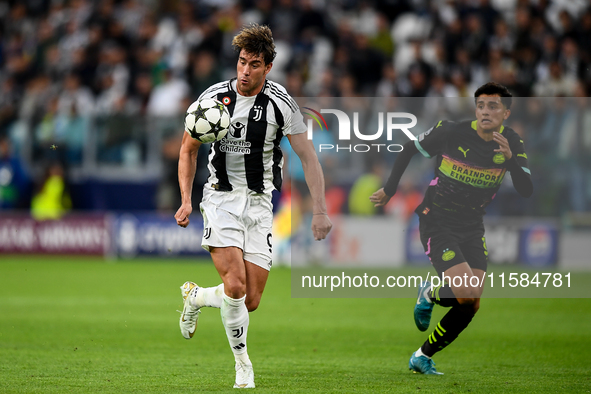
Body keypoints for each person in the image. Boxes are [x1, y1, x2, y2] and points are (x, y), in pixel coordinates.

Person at [174, 24, 332, 389]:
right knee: (235, 284)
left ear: (268, 67)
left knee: (252, 300)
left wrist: (320, 209)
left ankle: (195, 296)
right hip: (221, 198)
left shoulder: (282, 104)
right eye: (242, 62)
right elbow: (188, 149)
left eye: (254, 64)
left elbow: (308, 157)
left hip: (261, 205)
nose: (245, 71)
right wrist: (186, 199)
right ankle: (243, 366)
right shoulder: (212, 100)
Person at [370, 82, 533, 374]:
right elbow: (409, 149)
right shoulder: (450, 131)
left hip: (472, 227)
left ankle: (422, 355)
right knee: (467, 293)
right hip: (437, 221)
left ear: (506, 113)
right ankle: (431, 292)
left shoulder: (512, 143)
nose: (485, 111)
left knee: (471, 303)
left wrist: (510, 161)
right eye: (481, 105)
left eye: (493, 106)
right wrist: (390, 190)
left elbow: (526, 189)